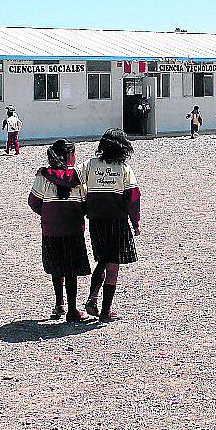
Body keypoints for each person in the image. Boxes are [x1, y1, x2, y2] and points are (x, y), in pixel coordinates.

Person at [78, 129, 141, 322]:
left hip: (96, 220)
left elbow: (72, 180)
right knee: (112, 265)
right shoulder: (124, 169)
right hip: (117, 220)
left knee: (102, 259)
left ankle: (93, 297)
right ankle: (105, 311)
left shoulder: (90, 164)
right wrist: (135, 222)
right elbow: (133, 198)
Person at [29, 139, 90, 322]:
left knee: (56, 267)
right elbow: (86, 203)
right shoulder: (78, 177)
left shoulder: (43, 176)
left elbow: (33, 202)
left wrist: (47, 214)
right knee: (71, 269)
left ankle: (59, 304)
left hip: (51, 229)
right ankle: (72, 309)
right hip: (73, 228)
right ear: (69, 155)